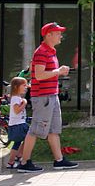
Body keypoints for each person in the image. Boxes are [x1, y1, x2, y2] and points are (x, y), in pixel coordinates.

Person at [17, 22, 78, 173]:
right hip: (43, 97)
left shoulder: (50, 51)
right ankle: (24, 162)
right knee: (36, 130)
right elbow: (39, 75)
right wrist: (58, 71)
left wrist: (58, 71)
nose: (60, 35)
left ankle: (59, 160)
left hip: (51, 95)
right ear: (48, 35)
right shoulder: (41, 52)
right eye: (57, 33)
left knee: (53, 130)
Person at [6, 77, 29, 169]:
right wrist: (24, 103)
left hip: (20, 123)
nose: (26, 87)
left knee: (26, 140)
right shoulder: (15, 98)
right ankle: (11, 161)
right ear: (16, 87)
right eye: (24, 85)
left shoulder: (17, 97)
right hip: (17, 125)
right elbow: (16, 111)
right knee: (20, 142)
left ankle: (18, 156)